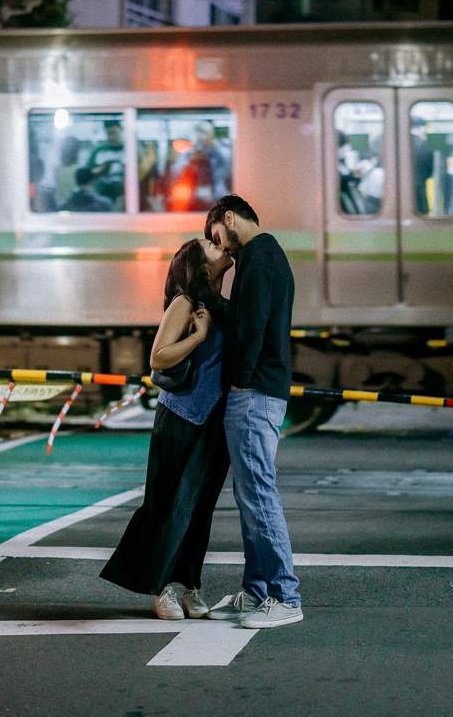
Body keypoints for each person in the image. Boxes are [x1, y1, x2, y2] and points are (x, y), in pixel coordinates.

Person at [101, 237, 233, 620]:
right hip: (180, 418)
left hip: (213, 421)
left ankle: (191, 585)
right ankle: (161, 589)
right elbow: (157, 356)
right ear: (200, 265)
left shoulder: (220, 304)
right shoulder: (186, 302)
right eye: (210, 246)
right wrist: (198, 337)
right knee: (169, 505)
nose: (219, 246)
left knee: (200, 508)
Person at [203, 194, 302, 629]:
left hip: (255, 391)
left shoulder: (259, 256)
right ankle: (257, 590)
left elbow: (253, 324)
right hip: (261, 389)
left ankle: (284, 595)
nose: (219, 246)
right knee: (251, 496)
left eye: (216, 237)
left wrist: (241, 378)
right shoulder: (265, 254)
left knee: (259, 494)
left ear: (228, 217)